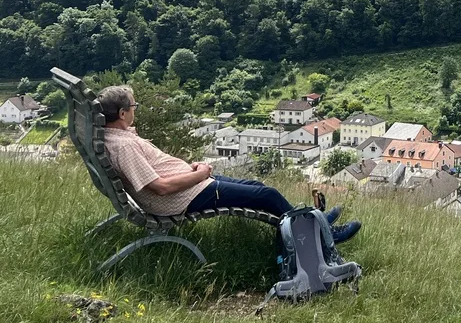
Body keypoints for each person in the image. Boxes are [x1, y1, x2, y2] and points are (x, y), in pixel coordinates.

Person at [97, 85, 361, 244]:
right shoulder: (124, 146)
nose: (135, 109)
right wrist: (199, 175)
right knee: (267, 195)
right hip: (181, 197)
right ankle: (321, 236)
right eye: (134, 106)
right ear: (122, 114)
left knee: (258, 186)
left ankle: (316, 223)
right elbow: (161, 188)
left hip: (189, 187)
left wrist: (190, 170)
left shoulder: (116, 139)